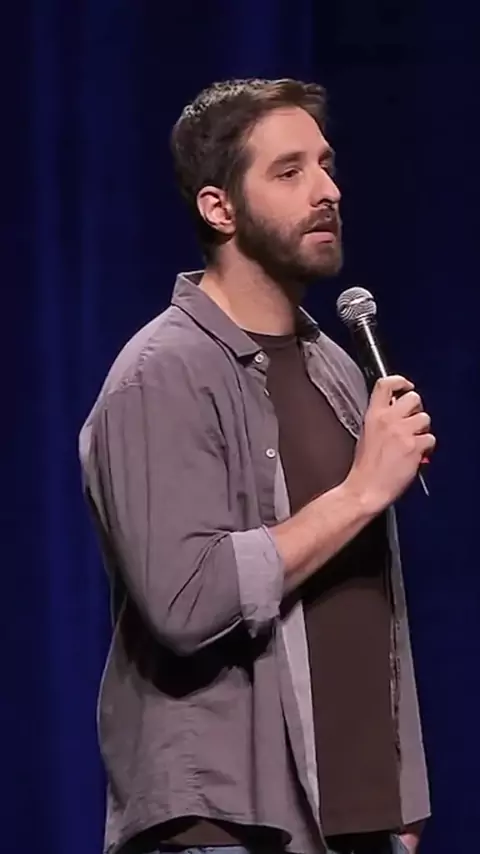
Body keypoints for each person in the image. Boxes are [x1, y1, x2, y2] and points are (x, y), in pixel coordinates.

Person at [79, 78, 435, 854]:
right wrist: (360, 492)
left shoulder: (336, 367)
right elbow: (185, 600)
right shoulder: (162, 375)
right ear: (220, 208)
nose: (327, 190)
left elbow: (369, 594)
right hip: (230, 825)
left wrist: (400, 792)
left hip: (359, 822)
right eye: (289, 171)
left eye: (326, 165)